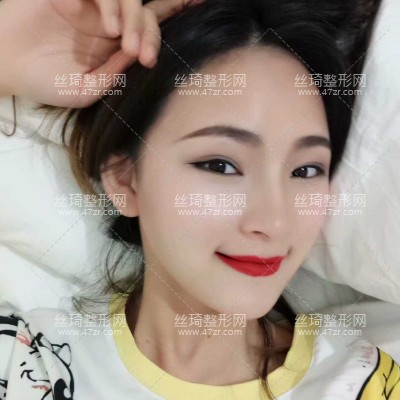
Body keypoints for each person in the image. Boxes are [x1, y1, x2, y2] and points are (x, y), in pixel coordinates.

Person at [1, 0, 399, 399]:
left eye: (305, 170)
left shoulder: (365, 383)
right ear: (125, 179)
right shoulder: (28, 361)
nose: (273, 222)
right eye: (221, 165)